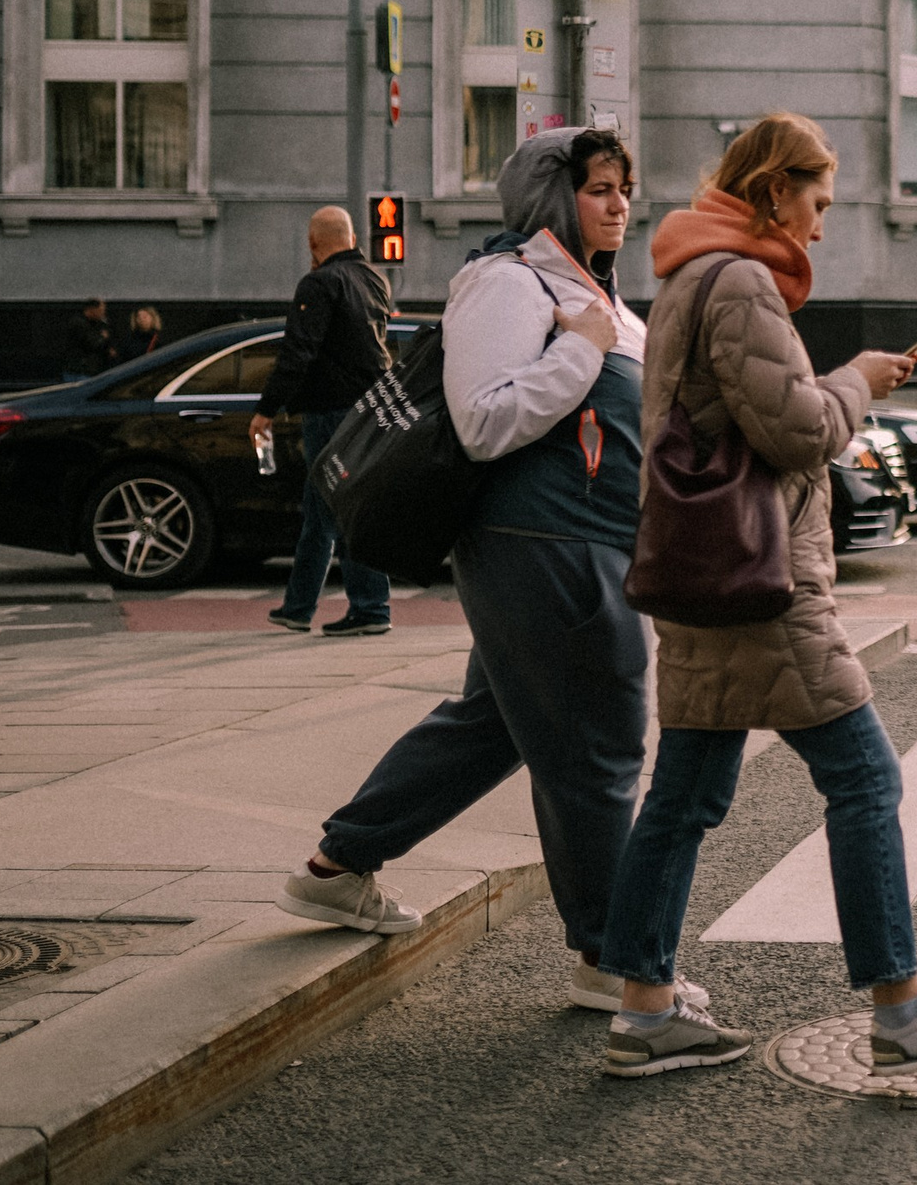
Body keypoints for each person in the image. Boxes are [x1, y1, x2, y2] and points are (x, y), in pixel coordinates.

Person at [591, 112, 917, 1080]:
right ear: (773, 190)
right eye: (816, 203)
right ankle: (903, 1008)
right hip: (763, 582)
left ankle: (645, 1006)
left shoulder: (686, 275)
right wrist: (859, 381)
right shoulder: (740, 280)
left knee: (686, 795)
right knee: (865, 780)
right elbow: (797, 431)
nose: (820, 227)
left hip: (706, 572)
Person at [277, 129, 663, 1024]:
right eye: (599, 188)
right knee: (601, 750)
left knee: (491, 725)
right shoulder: (508, 281)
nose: (618, 205)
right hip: (546, 548)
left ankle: (339, 867)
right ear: (552, 198)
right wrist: (580, 350)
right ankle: (612, 958)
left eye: (623, 189)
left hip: (585, 547)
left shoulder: (598, 293)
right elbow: (484, 421)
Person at [256, 208, 396, 637]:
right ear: (352, 237)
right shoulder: (375, 279)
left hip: (330, 412)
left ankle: (370, 608)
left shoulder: (319, 284)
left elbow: (298, 351)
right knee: (326, 509)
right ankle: (299, 607)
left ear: (313, 244)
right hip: (371, 409)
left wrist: (266, 409)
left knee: (339, 507)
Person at [59, 297, 113, 381]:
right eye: (101, 311)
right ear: (92, 309)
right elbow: (91, 343)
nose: (103, 314)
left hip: (91, 370)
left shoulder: (97, 324)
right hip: (79, 371)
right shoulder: (79, 323)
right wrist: (102, 337)